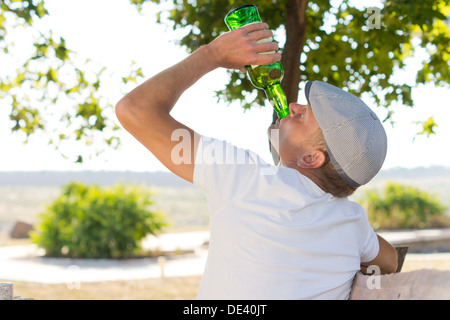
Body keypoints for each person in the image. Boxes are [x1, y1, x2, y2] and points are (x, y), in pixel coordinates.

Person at [115, 22, 398, 299]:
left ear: (312, 158)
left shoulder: (245, 178)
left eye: (302, 115)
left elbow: (134, 110)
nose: (293, 106)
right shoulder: (352, 221)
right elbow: (391, 261)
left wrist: (211, 54)